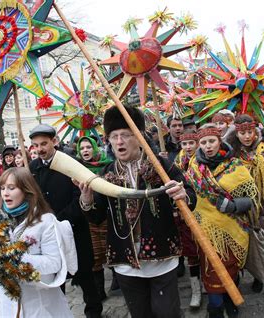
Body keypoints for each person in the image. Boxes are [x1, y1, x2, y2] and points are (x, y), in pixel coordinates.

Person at [78, 106, 196, 318]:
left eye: (125, 135)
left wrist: (182, 194)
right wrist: (87, 201)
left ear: (139, 137)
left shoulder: (160, 165)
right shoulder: (107, 173)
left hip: (162, 256)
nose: (119, 142)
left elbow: (189, 193)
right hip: (126, 261)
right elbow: (96, 217)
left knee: (167, 313)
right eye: (114, 137)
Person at [0, 167, 75, 317]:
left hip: (40, 302)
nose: (5, 193)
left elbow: (54, 263)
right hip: (9, 303)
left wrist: (15, 258)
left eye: (11, 188)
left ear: (27, 190)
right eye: (2, 188)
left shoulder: (45, 221)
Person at [29, 124, 103, 318]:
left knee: (85, 275)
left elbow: (79, 199)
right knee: (54, 277)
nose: (40, 149)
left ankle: (94, 313)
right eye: (35, 145)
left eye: (44, 143)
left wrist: (57, 220)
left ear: (55, 141)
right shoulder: (33, 168)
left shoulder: (71, 163)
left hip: (74, 229)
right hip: (48, 236)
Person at [187, 123, 256, 318]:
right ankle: (215, 305)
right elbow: (190, 196)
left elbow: (251, 199)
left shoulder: (235, 164)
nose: (208, 146)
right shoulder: (193, 167)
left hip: (232, 226)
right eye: (203, 142)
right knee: (211, 268)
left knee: (231, 265)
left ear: (219, 141)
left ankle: (230, 299)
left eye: (211, 141)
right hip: (206, 229)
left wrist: (234, 206)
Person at [227, 114, 264, 302]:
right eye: (242, 133)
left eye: (250, 132)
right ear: (236, 134)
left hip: (263, 206)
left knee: (263, 245)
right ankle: (259, 277)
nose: (247, 136)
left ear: (255, 131)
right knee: (249, 246)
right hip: (243, 207)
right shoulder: (232, 154)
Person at [76, 136, 113, 300]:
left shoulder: (107, 166)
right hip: (88, 218)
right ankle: (100, 291)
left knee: (111, 250)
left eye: (88, 147)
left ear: (95, 149)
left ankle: (118, 281)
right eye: (82, 148)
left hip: (107, 216)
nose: (85, 150)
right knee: (96, 255)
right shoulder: (76, 169)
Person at [173, 129, 202, 308]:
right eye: (185, 143)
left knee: (203, 250)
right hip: (183, 213)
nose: (188, 147)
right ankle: (195, 290)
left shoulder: (202, 161)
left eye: (191, 143)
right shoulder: (176, 162)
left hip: (202, 211)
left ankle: (207, 282)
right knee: (190, 251)